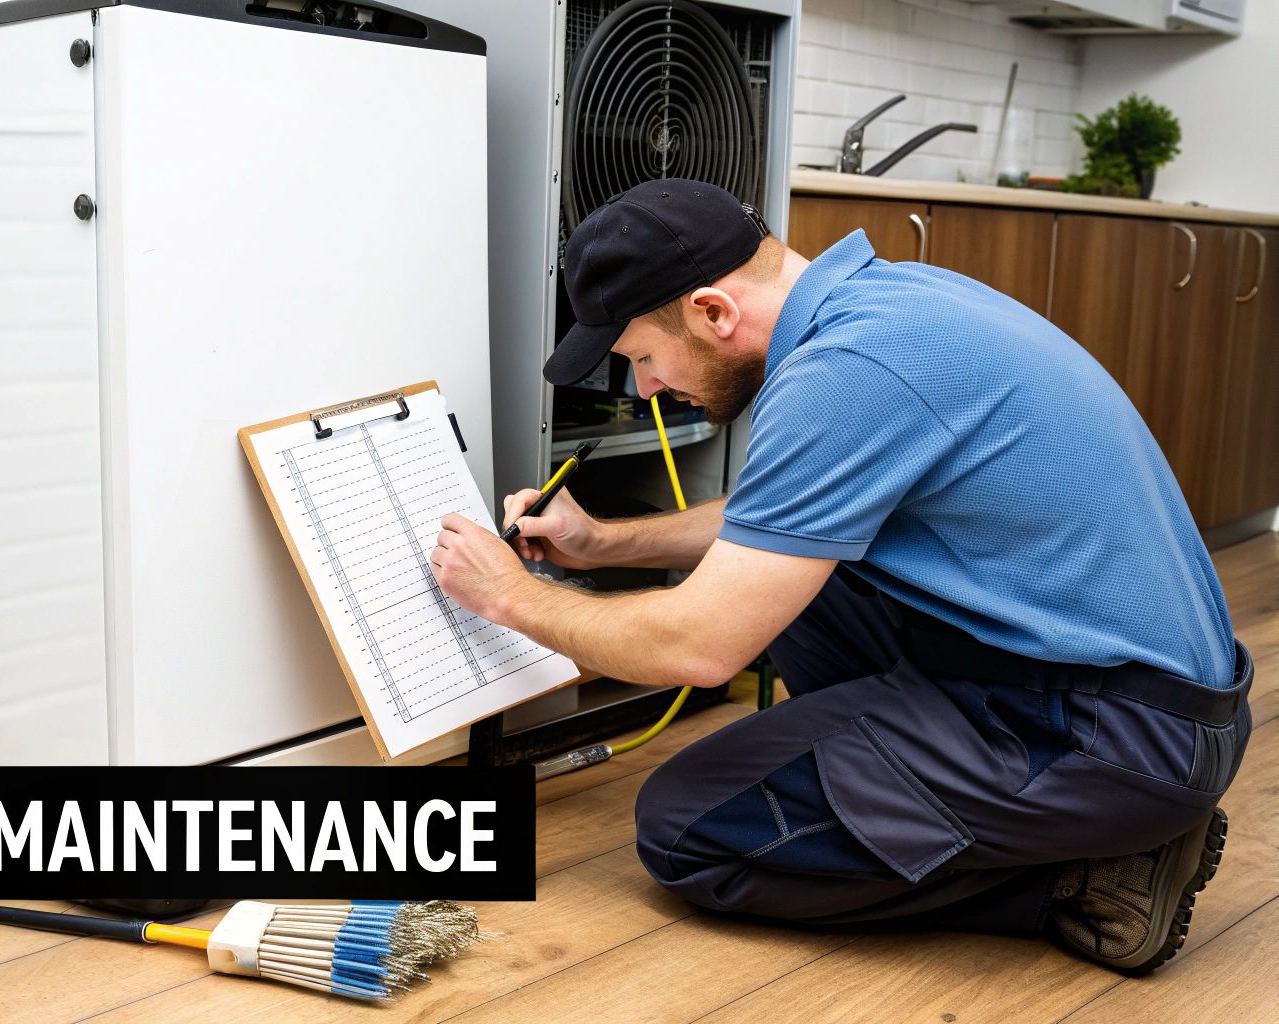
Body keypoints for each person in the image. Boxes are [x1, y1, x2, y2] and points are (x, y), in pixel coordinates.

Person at [427, 178, 1251, 974]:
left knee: (683, 832)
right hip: (1122, 698)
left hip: (1111, 738)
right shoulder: (890, 303)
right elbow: (783, 517)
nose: (646, 390)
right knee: (803, 572)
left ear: (713, 312)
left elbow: (698, 649)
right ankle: (896, 782)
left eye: (642, 356)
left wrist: (509, 596)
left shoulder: (845, 372)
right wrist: (602, 542)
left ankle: (1090, 875)